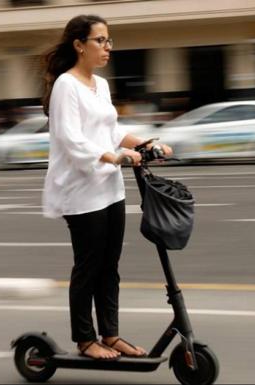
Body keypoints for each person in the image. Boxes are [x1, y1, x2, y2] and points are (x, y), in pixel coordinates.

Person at [41, 14, 172, 360]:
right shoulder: (66, 86)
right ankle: (85, 340)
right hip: (81, 191)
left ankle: (110, 335)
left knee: (109, 265)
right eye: (100, 40)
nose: (107, 47)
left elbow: (112, 131)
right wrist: (114, 158)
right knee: (89, 265)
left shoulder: (100, 85)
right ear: (79, 45)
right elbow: (71, 139)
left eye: (109, 40)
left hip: (110, 189)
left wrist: (146, 144)